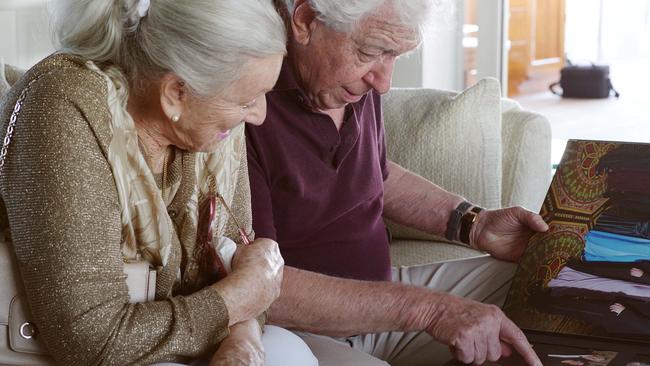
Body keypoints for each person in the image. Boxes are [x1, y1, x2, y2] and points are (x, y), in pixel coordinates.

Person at [0, 0, 317, 365]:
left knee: (292, 354)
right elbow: (89, 339)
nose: (259, 115)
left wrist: (241, 341)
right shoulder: (63, 107)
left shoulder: (212, 125)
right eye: (247, 100)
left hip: (174, 344)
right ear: (175, 94)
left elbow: (241, 275)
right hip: (77, 356)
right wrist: (233, 301)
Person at [245, 0, 549, 365]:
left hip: (385, 301)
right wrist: (428, 311)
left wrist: (476, 224)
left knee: (542, 284)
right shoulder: (243, 99)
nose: (384, 83)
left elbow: (375, 174)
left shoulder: (345, 82)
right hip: (297, 332)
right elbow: (258, 285)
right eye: (371, 52)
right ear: (307, 20)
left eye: (395, 55)